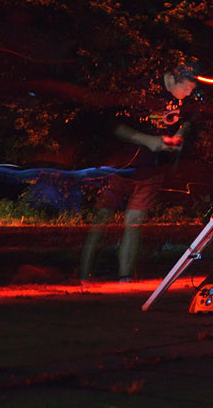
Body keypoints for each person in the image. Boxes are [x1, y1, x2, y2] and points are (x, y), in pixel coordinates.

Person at [81, 64, 198, 282]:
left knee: (134, 224)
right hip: (119, 167)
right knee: (101, 221)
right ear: (173, 78)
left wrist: (180, 135)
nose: (189, 93)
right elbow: (113, 125)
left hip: (151, 170)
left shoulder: (186, 99)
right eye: (187, 87)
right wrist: (147, 140)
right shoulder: (144, 90)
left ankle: (125, 277)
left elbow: (188, 121)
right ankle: (84, 275)